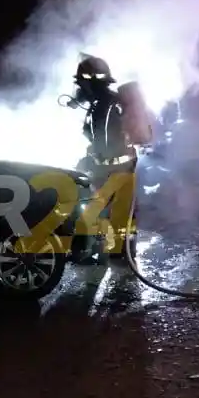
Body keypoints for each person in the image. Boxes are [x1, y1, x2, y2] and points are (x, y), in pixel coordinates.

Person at [73, 56, 138, 263]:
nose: (79, 88)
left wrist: (93, 158)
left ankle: (120, 250)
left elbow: (107, 141)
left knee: (104, 210)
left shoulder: (108, 106)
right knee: (106, 211)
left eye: (82, 84)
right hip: (111, 167)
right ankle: (114, 248)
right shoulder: (100, 104)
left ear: (92, 83)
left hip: (118, 168)